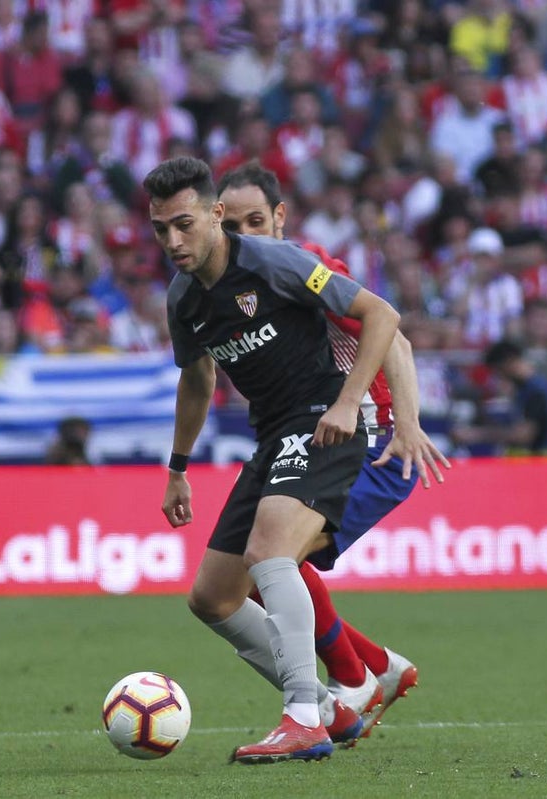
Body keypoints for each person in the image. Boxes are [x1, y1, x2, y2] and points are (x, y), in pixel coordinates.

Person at [148, 156, 402, 763]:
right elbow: (197, 379)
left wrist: (348, 403)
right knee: (212, 597)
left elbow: (381, 315)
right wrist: (178, 467)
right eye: (161, 229)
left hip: (322, 422)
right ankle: (331, 707)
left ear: (215, 215)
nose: (173, 241)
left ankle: (302, 718)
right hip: (272, 437)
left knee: (270, 555)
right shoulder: (183, 298)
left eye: (184, 224)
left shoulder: (274, 261)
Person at [214, 161, 450, 738]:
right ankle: (376, 668)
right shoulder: (228, 284)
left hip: (372, 445)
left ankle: (355, 676)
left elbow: (393, 336)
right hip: (316, 438)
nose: (246, 236)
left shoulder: (306, 265)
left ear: (280, 218)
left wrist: (407, 424)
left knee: (269, 558)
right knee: (260, 562)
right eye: (233, 226)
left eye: (256, 222)